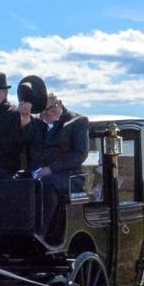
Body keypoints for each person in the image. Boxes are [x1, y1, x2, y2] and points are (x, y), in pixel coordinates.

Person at [26, 91, 89, 244]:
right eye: (42, 111)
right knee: (19, 184)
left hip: (69, 177)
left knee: (47, 185)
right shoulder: (36, 124)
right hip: (38, 175)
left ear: (59, 103)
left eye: (50, 109)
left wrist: (51, 168)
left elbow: (80, 154)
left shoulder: (77, 121)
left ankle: (40, 234)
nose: (46, 114)